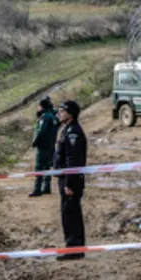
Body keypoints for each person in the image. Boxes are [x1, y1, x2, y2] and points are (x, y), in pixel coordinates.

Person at [53, 100, 87, 260]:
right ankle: (74, 247)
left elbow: (73, 161)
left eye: (62, 111)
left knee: (71, 214)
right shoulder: (66, 130)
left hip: (70, 180)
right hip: (66, 178)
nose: (59, 114)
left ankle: (74, 249)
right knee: (68, 213)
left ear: (70, 114)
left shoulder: (74, 132)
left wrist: (69, 183)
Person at [29, 96, 59, 197]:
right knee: (47, 167)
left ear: (42, 107)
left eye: (39, 106)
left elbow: (41, 132)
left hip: (43, 146)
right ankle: (47, 187)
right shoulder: (53, 116)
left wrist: (35, 142)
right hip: (51, 145)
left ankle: (37, 189)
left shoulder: (45, 117)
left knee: (39, 167)